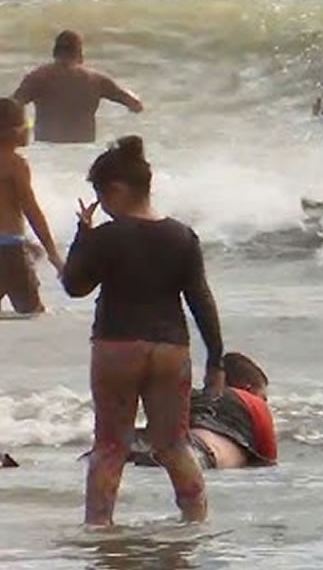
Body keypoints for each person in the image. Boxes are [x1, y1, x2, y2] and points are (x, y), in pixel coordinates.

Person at [61, 136, 224, 526]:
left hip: (118, 345)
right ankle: (196, 524)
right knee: (174, 445)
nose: (102, 205)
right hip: (170, 348)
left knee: (110, 447)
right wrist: (216, 359)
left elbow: (74, 285)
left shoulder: (107, 236)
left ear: (116, 190)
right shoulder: (182, 235)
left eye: (102, 196)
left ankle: (100, 529)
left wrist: (83, 234)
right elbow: (201, 299)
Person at [126, 352, 277, 470]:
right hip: (201, 453)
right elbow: (268, 464)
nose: (265, 403)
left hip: (155, 442)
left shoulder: (194, 396)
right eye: (263, 397)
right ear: (248, 388)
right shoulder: (254, 403)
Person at [12, 30, 144, 144]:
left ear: (54, 52)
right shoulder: (96, 80)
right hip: (83, 151)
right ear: (79, 53)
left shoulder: (38, 77)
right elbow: (135, 105)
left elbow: (11, 107)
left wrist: (23, 129)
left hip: (48, 150)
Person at [0, 99, 63, 313]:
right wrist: (53, 254)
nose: (30, 129)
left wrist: (25, 243)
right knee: (34, 314)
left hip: (9, 246)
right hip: (9, 252)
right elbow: (31, 210)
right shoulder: (15, 164)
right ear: (14, 131)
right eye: (27, 124)